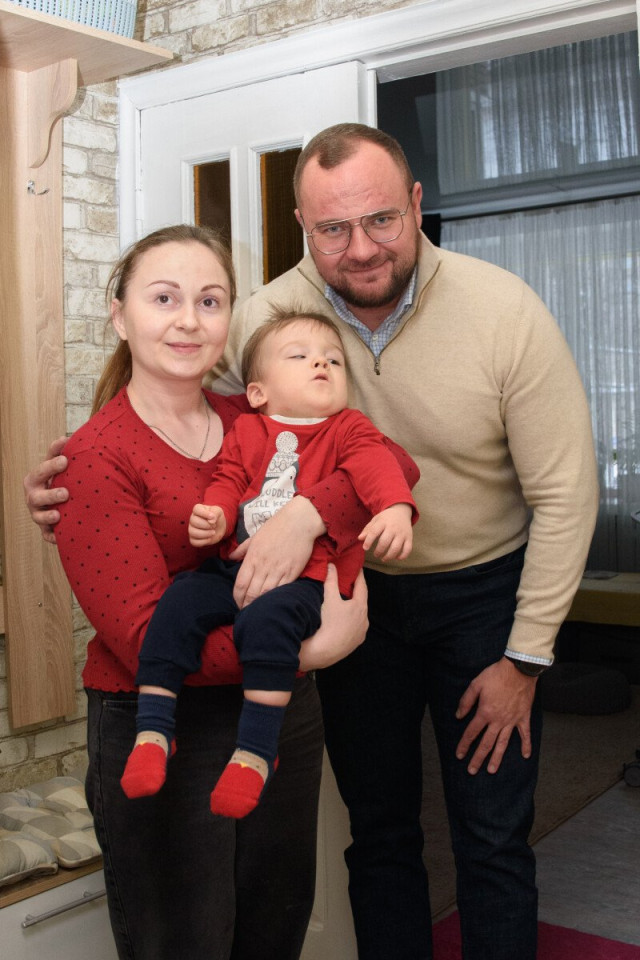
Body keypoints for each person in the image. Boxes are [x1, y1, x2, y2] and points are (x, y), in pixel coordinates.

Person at [26, 124, 599, 960]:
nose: (359, 248)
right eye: (333, 229)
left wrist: (527, 656)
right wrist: (67, 489)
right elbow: (170, 418)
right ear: (303, 227)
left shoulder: (502, 309)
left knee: (490, 834)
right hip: (343, 597)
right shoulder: (264, 318)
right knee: (379, 830)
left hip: (478, 592)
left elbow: (555, 490)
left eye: (380, 220)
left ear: (416, 204)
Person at [31, 222, 415, 960]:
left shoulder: (253, 415)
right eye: (164, 298)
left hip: (278, 719)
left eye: (210, 301)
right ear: (120, 315)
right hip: (163, 720)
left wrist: (306, 516)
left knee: (275, 930)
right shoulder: (96, 458)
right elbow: (143, 638)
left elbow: (389, 462)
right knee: (187, 943)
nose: (188, 319)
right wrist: (310, 650)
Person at [122, 308, 417, 819]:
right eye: (300, 357)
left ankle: (255, 752)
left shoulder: (348, 428)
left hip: (304, 578)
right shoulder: (247, 429)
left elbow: (378, 467)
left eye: (333, 360)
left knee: (267, 624)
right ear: (257, 392)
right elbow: (229, 478)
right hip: (233, 566)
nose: (321, 365)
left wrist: (394, 507)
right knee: (180, 601)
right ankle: (153, 730)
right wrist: (216, 515)